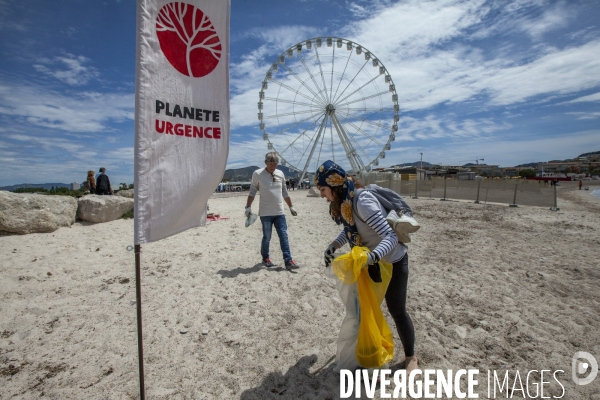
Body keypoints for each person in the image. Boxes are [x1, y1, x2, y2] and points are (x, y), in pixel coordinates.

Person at [316, 160, 418, 375]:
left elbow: (390, 236)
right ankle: (367, 357)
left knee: (396, 310)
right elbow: (352, 230)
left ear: (334, 185)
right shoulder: (346, 202)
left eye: (323, 190)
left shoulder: (362, 201)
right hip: (370, 262)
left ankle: (411, 357)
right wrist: (333, 245)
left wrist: (373, 257)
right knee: (364, 312)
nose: (322, 195)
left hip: (392, 261)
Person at [245, 152, 299, 269]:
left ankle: (288, 261)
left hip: (279, 212)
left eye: (275, 163)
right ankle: (265, 258)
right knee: (267, 237)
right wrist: (248, 206)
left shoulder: (280, 174)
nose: (273, 165)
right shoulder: (258, 174)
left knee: (284, 236)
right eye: (270, 163)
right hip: (265, 213)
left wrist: (291, 207)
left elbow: (284, 191)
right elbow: (252, 191)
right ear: (265, 163)